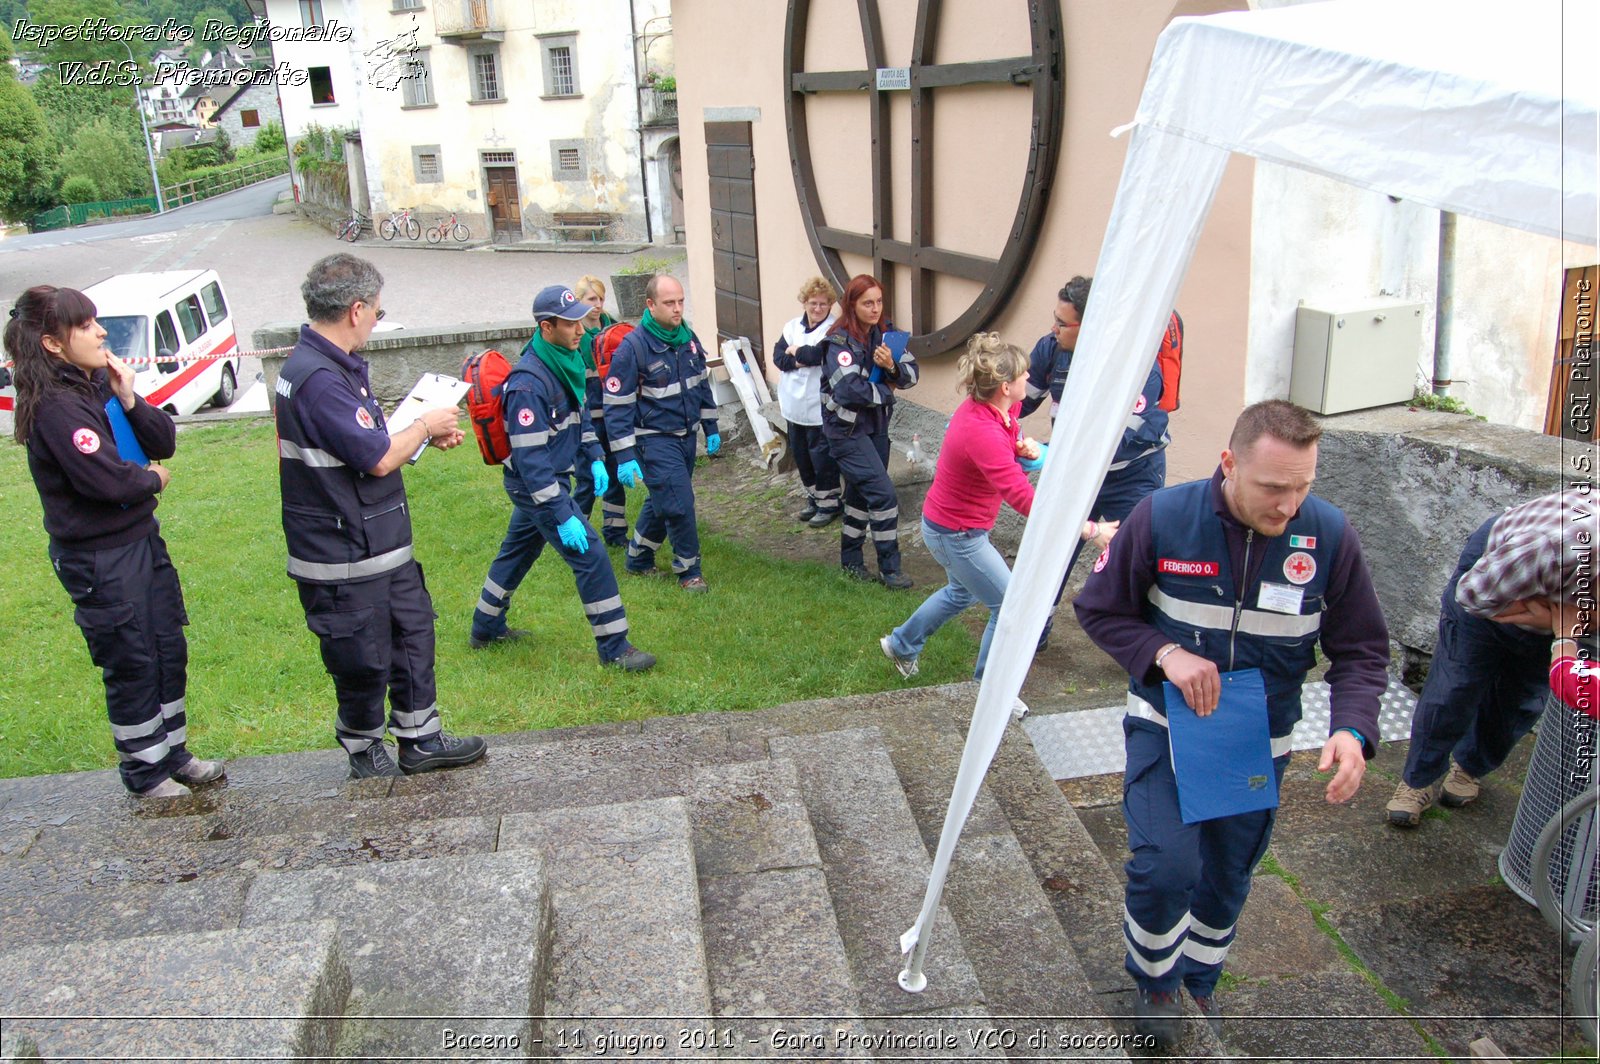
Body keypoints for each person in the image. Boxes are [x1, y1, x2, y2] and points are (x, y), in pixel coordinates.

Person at [1074, 399, 1389, 1048]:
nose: (1289, 506)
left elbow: (1361, 649)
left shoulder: (1328, 535)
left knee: (1226, 874)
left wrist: (1352, 728)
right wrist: (1164, 654)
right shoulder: (1162, 518)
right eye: (1274, 487)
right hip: (1166, 726)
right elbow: (1100, 609)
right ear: (1228, 465)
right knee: (1164, 868)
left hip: (1255, 743)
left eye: (1304, 486)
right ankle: (1156, 982)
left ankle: (1199, 981)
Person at [6, 285, 224, 799]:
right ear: (53, 344)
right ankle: (145, 772)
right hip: (100, 557)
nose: (100, 332)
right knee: (131, 659)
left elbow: (162, 440)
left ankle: (173, 754)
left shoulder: (95, 386)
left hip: (140, 542)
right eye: (85, 326)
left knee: (167, 646)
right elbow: (108, 482)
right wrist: (154, 481)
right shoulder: (57, 407)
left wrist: (128, 395)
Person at [275, 253, 487, 779]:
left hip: (380, 543)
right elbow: (375, 456)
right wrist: (423, 424)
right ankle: (364, 747)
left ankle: (421, 738)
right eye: (376, 309)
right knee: (361, 656)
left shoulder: (335, 367)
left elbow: (366, 443)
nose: (376, 318)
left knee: (413, 636)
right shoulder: (317, 378)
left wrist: (421, 438)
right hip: (344, 554)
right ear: (354, 310)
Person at [879, 333, 1115, 681]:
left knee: (960, 593)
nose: (1029, 379)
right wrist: (1089, 529)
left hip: (953, 528)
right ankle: (986, 690)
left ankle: (902, 644)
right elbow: (1023, 498)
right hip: (956, 535)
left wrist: (1020, 447)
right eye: (1024, 375)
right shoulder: (981, 431)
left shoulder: (998, 410)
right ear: (1005, 385)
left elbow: (1006, 440)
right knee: (1009, 606)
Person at [468, 285, 656, 671]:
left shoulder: (563, 362)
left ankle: (485, 627)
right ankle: (615, 648)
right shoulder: (529, 384)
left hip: (551, 480)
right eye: (570, 324)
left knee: (518, 551)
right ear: (546, 326)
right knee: (593, 556)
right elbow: (531, 460)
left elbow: (581, 418)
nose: (581, 331)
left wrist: (596, 457)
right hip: (538, 487)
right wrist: (562, 511)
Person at [1386, 489, 1599, 827]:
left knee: (1521, 698)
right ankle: (1418, 780)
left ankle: (1470, 766)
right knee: (1454, 685)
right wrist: (1547, 623)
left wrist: (1561, 629)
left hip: (1558, 604)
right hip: (1496, 576)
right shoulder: (1551, 550)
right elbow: (1473, 597)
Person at [1024, 275, 1171, 650]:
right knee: (1052, 547)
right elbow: (1018, 402)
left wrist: (1047, 452)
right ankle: (1031, 633)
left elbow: (1115, 443)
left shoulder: (1137, 368)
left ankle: (1151, 643)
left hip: (1131, 475)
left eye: (1062, 322)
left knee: (1138, 554)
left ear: (1091, 326)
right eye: (1054, 318)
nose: (1052, 328)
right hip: (1074, 473)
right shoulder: (1051, 349)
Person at [603, 274, 719, 592]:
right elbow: (616, 406)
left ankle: (638, 558)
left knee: (662, 500)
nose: (677, 309)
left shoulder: (688, 339)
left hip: (685, 436)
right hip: (653, 438)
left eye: (681, 301)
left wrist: (710, 426)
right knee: (679, 503)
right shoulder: (633, 348)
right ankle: (689, 571)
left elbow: (701, 385)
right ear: (650, 305)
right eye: (669, 303)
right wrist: (625, 455)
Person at [820, 274, 919, 589]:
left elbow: (913, 375)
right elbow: (850, 391)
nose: (875, 309)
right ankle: (890, 569)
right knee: (883, 495)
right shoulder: (838, 342)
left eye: (878, 301)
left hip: (876, 428)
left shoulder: (887, 335)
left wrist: (892, 368)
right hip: (845, 432)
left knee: (860, 495)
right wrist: (888, 391)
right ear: (852, 304)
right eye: (867, 303)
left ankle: (850, 562)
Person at [772, 276, 842, 526]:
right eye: (813, 303)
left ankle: (829, 503)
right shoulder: (791, 327)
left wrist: (797, 352)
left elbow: (817, 355)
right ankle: (813, 497)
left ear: (830, 305)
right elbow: (778, 357)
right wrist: (796, 357)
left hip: (817, 407)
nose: (818, 308)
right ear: (804, 303)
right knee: (802, 455)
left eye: (824, 304)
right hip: (793, 406)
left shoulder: (833, 329)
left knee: (822, 456)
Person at [569, 275, 629, 547]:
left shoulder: (612, 329)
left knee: (615, 474)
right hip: (585, 421)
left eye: (601, 299)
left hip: (612, 417)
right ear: (579, 301)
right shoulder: (572, 335)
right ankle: (576, 534)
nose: (598, 304)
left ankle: (615, 534)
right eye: (591, 299)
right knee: (586, 479)